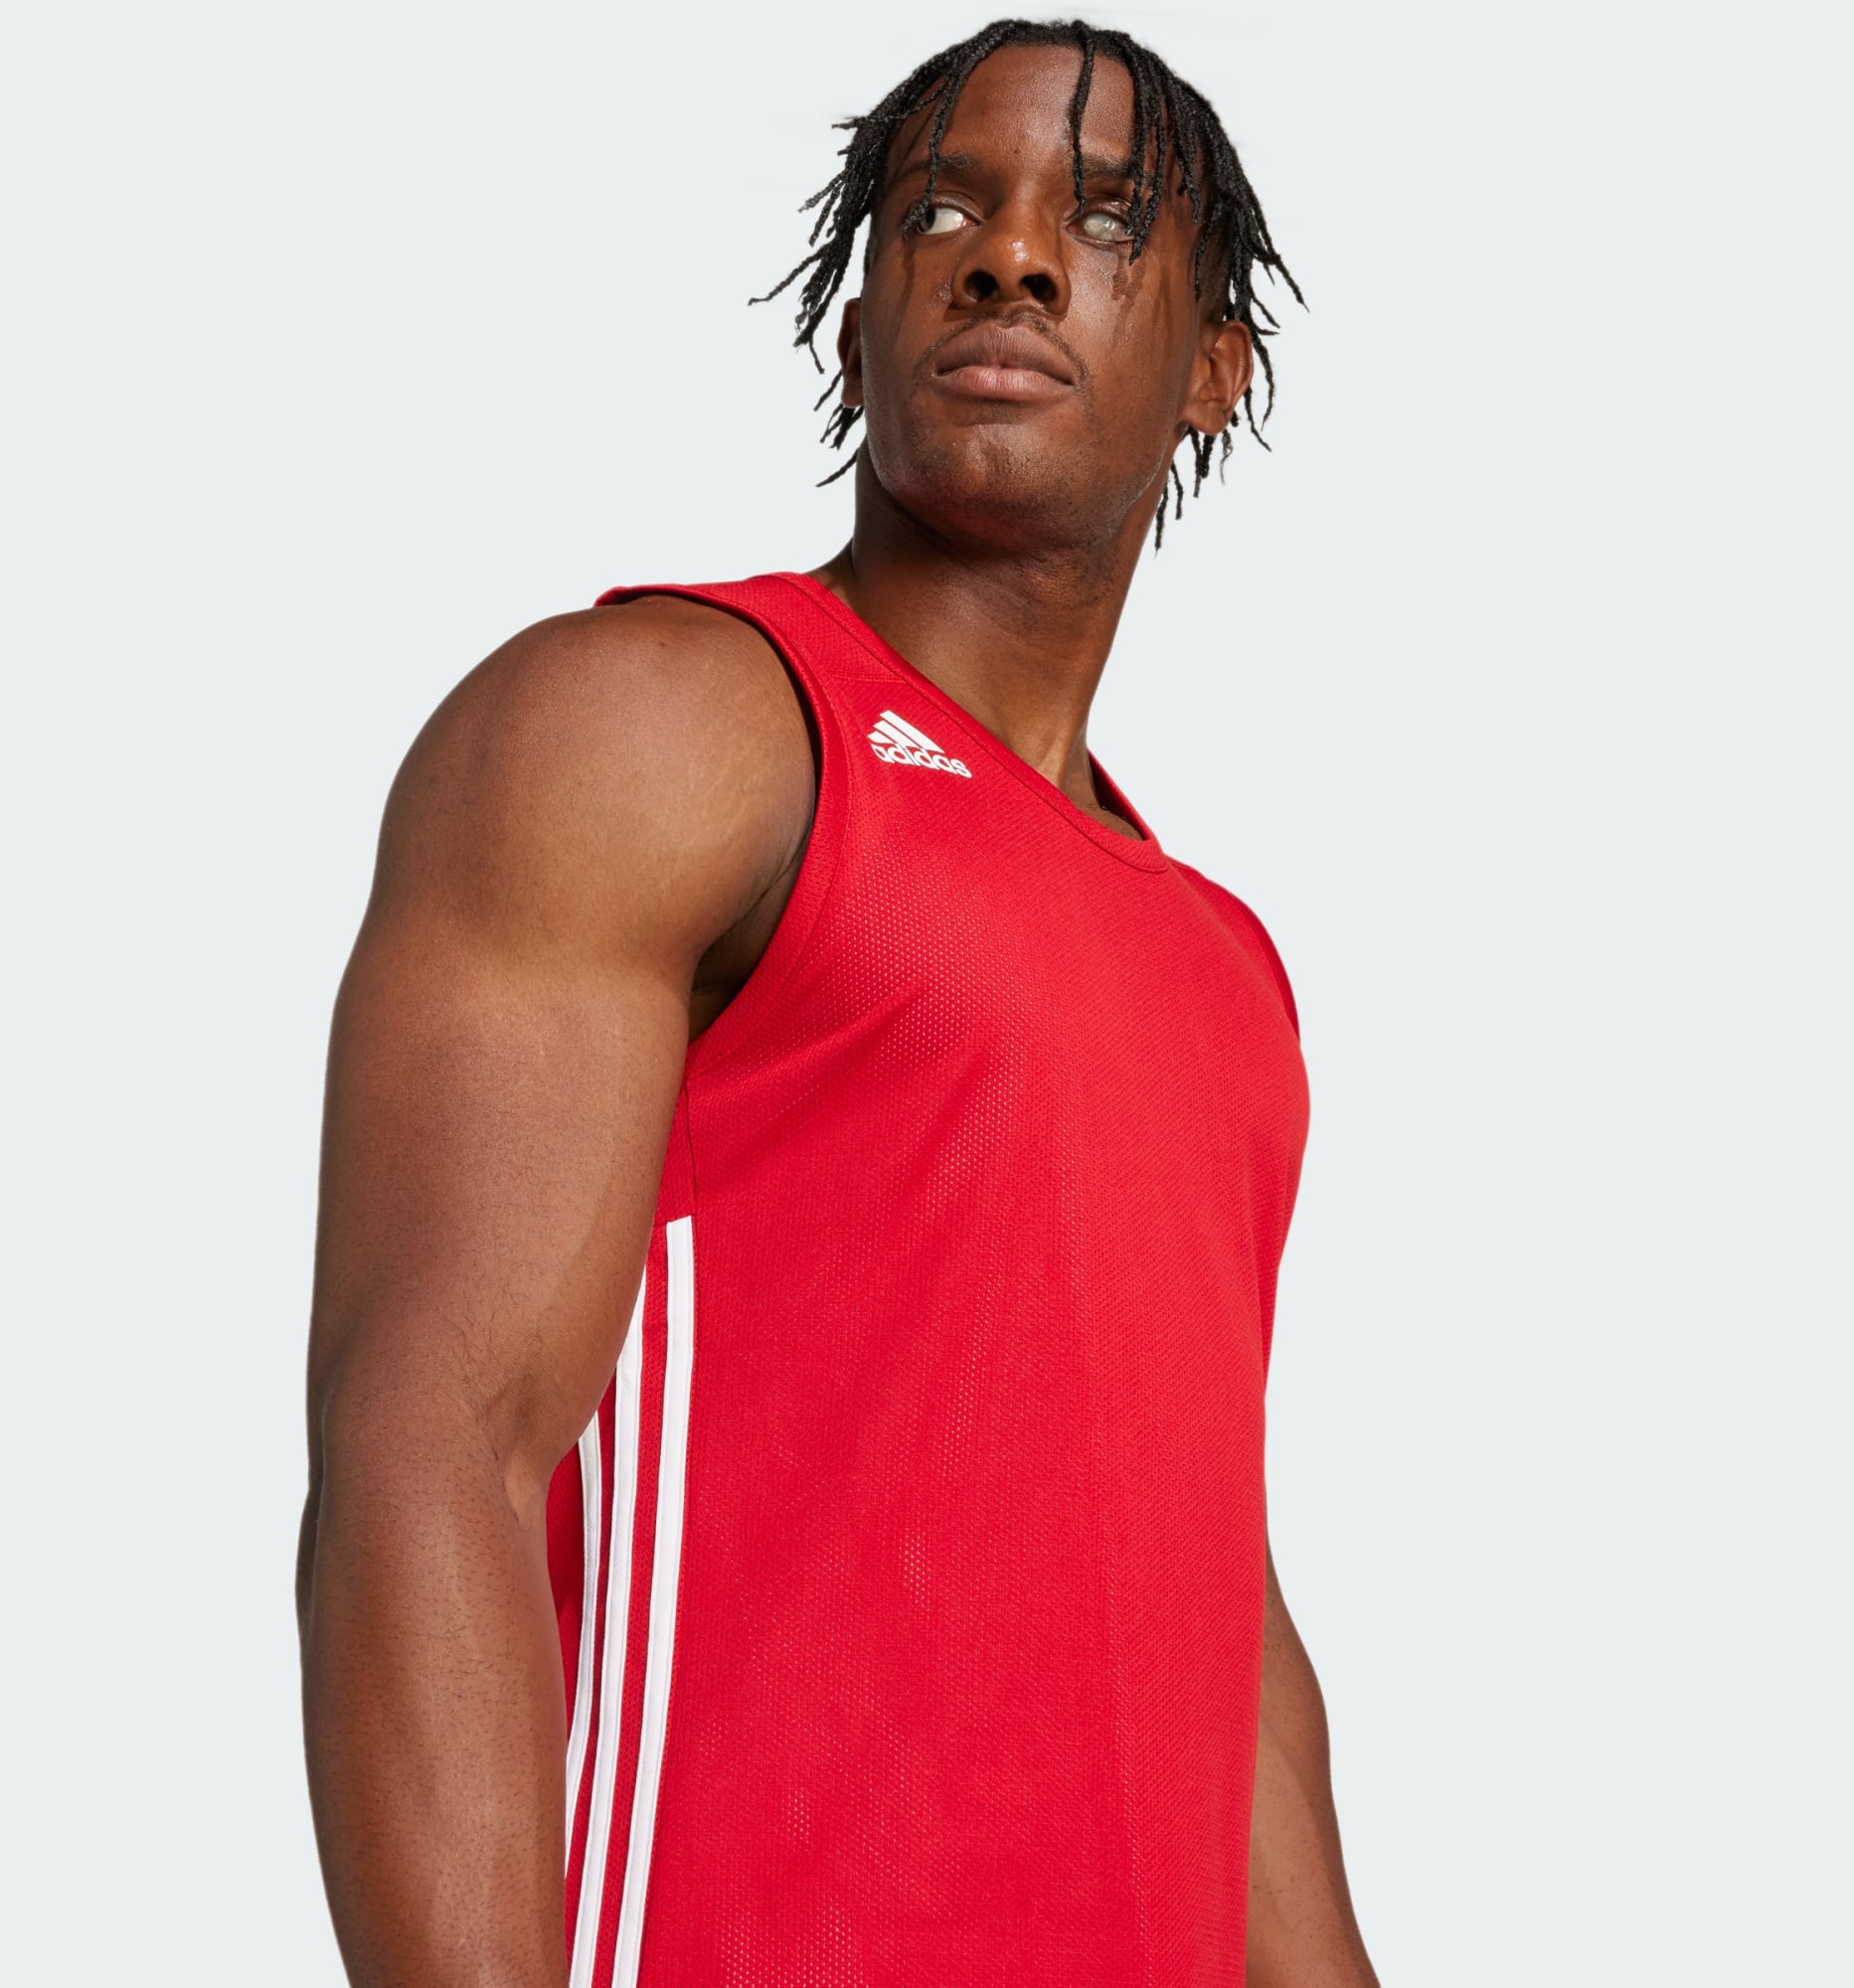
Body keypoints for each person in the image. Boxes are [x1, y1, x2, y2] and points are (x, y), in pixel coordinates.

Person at [298, 18, 1381, 1987]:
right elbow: (431, 1443)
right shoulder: (661, 731)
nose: (1008, 255)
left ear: (1217, 363)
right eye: (938, 213)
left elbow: (1219, 1635)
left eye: (1102, 222)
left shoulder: (1223, 971)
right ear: (859, 317)